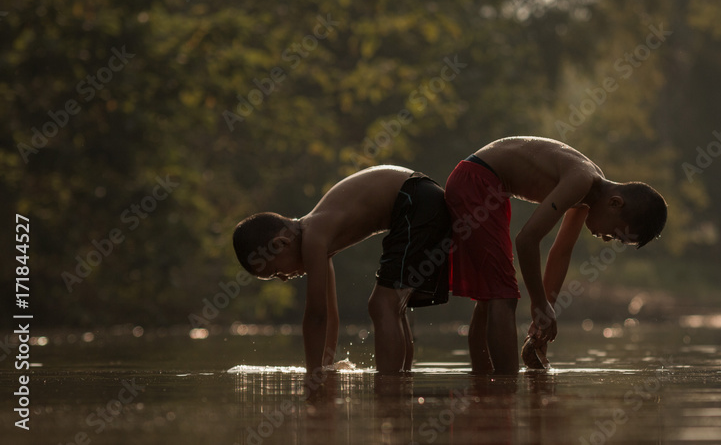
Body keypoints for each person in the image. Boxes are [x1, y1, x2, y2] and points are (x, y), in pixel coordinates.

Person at [444, 136, 667, 374]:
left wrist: (545, 312)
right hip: (477, 182)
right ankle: (504, 388)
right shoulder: (581, 180)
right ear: (615, 203)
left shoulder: (589, 193)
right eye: (614, 234)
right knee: (503, 294)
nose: (605, 238)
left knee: (492, 294)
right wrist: (538, 302)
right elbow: (527, 240)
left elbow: (561, 251)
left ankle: (484, 383)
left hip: (488, 186)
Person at [231, 166, 451, 392]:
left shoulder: (313, 237)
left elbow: (316, 315)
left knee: (383, 304)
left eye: (277, 272)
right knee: (393, 306)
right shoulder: (318, 236)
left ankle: (391, 390)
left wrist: (312, 376)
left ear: (281, 243)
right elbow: (330, 314)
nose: (284, 279)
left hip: (415, 199)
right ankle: (400, 386)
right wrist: (326, 367)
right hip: (421, 199)